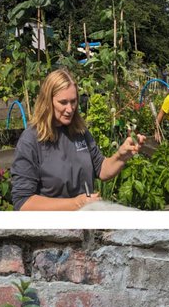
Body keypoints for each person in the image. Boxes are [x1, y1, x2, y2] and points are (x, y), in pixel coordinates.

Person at [11, 69, 143, 210]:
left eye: (73, 101)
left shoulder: (79, 131)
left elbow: (101, 170)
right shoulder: (31, 140)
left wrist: (121, 156)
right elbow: (23, 203)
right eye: (63, 102)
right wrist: (76, 203)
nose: (70, 109)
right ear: (47, 102)